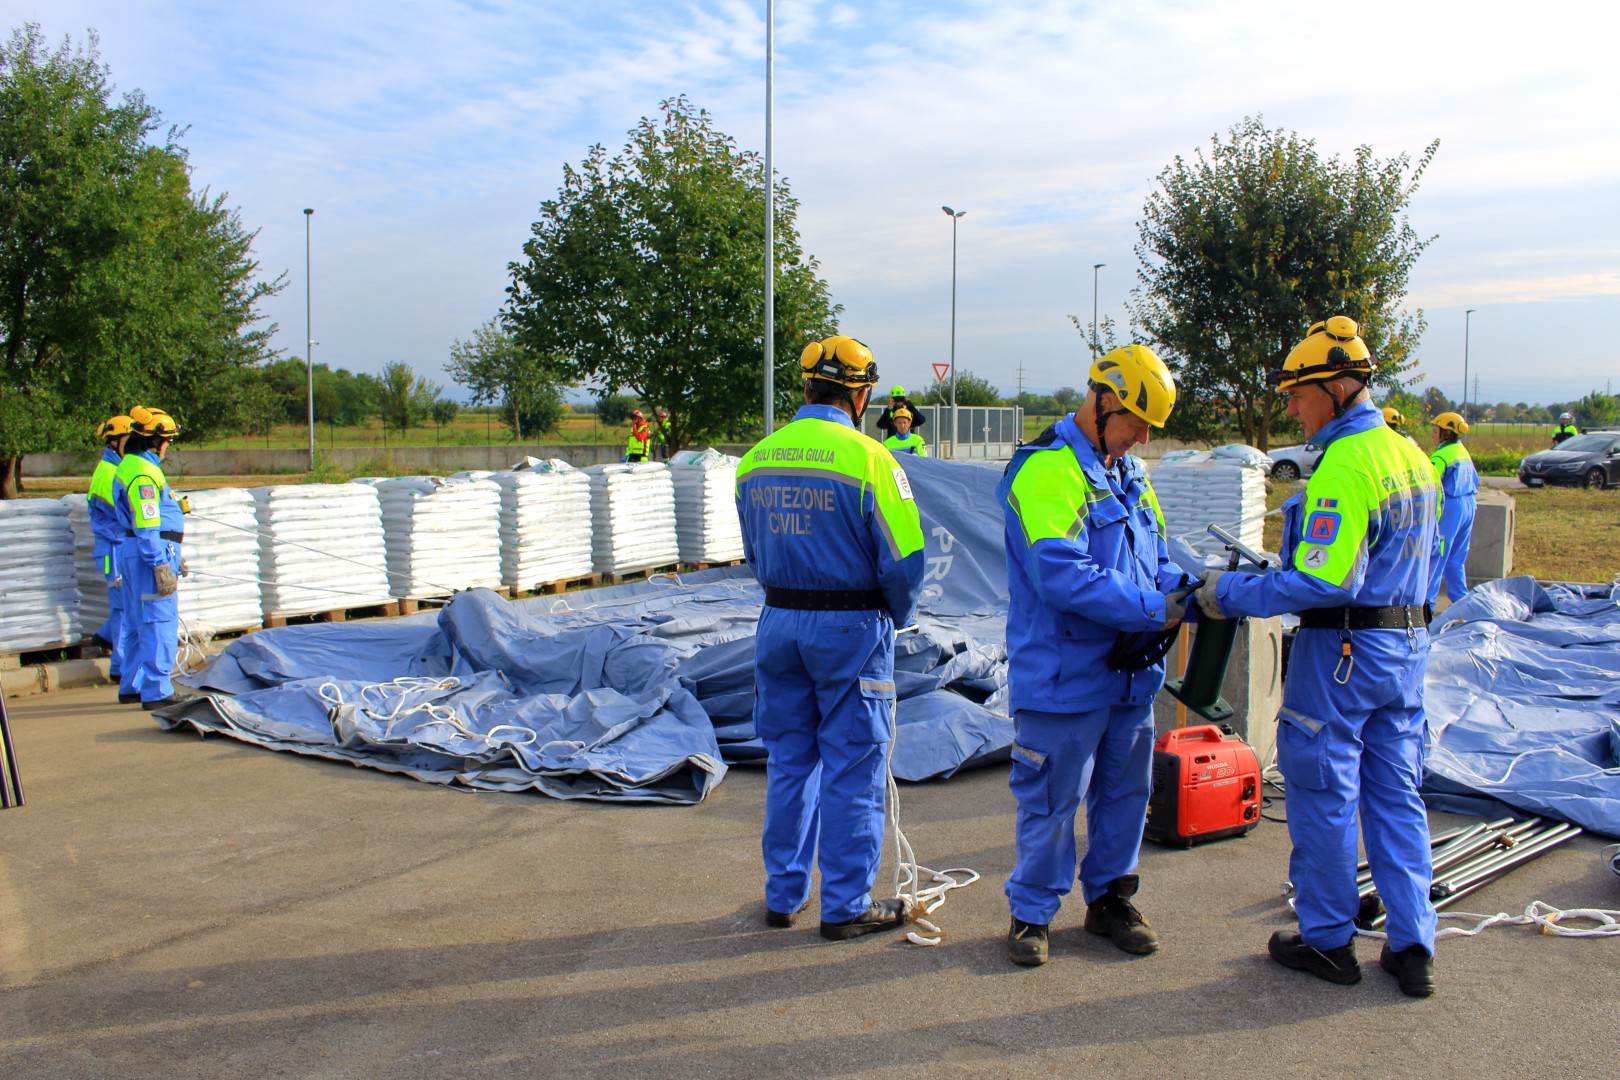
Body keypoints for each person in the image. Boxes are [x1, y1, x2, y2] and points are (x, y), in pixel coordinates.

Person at [1191, 316, 1441, 998]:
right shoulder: (1411, 456)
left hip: (1343, 654)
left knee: (1326, 791)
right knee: (1396, 795)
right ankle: (1413, 945)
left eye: (1299, 395)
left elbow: (1326, 581)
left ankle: (1329, 941)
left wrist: (1229, 592)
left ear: (1335, 389)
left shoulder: (1347, 466)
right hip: (1406, 647)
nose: (1293, 409)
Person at [996, 343, 1195, 967]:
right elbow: (1062, 575)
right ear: (1103, 401)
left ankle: (1111, 900)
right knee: (1051, 801)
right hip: (1065, 677)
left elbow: (1158, 561)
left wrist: (1192, 590)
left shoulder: (1130, 474)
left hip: (1130, 679)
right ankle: (1032, 914)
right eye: (1137, 422)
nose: (1143, 438)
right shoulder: (1046, 471)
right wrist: (1155, 608)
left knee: (1125, 796)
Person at [734, 335, 925, 941]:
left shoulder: (755, 460)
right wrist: (894, 615)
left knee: (790, 763)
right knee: (853, 766)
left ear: (807, 388)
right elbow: (905, 564)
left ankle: (783, 896)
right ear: (861, 396)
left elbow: (752, 552)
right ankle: (845, 907)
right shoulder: (872, 460)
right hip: (850, 628)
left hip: (778, 622)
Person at [111, 406, 186, 710]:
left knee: (135, 621)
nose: (168, 445)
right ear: (155, 441)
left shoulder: (130, 465)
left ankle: (132, 685)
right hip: (149, 554)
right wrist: (160, 563)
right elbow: (146, 523)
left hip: (136, 551)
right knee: (157, 620)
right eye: (167, 440)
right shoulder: (143, 472)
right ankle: (157, 691)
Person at [88, 415, 133, 685]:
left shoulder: (119, 468)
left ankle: (105, 637)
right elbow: (124, 513)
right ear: (115, 441)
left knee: (127, 604)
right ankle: (121, 667)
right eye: (130, 439)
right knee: (124, 608)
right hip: (113, 551)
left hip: (120, 546)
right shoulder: (107, 474)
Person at [1427, 412, 1479, 606]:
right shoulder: (1462, 451)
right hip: (1469, 505)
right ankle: (1462, 604)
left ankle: (1427, 606)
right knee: (1456, 559)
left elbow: (1429, 482)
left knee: (1437, 557)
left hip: (1451, 508)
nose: (1433, 434)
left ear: (1445, 433)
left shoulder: (1442, 455)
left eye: (1435, 431)